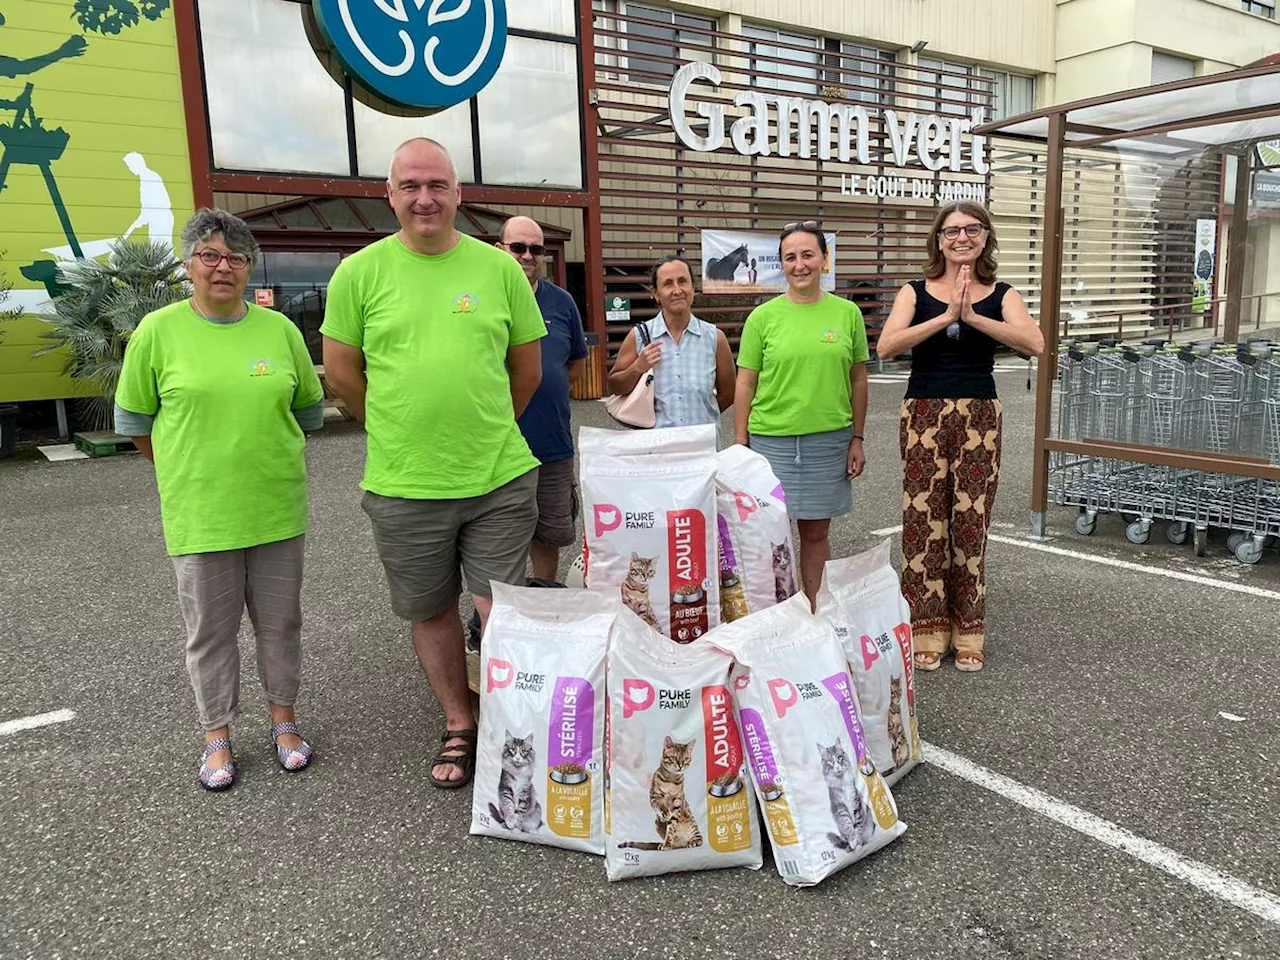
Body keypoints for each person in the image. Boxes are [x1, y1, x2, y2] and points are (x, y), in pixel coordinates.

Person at [321, 138, 544, 789]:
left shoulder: (499, 270)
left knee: (500, 604)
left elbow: (525, 371)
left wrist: (482, 422)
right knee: (429, 608)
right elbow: (341, 372)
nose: (425, 198)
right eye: (410, 185)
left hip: (498, 474)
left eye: (437, 184)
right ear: (389, 194)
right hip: (403, 483)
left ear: (457, 192)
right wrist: (397, 428)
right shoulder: (358, 274)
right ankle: (460, 721)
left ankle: (511, 721)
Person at [114, 208, 325, 791]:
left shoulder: (279, 330)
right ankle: (217, 735)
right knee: (210, 632)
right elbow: (135, 420)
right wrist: (187, 467)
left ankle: (284, 725)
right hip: (201, 513)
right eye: (210, 255)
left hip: (276, 508)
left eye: (235, 256)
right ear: (189, 266)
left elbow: (307, 411)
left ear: (249, 265)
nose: (223, 267)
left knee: (280, 624)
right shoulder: (158, 331)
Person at [876, 201, 1044, 673]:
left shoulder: (1002, 293)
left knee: (970, 521)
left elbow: (1035, 343)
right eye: (951, 231)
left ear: (986, 236)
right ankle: (925, 626)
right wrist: (946, 314)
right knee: (922, 519)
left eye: (972, 229)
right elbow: (886, 346)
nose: (961, 238)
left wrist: (972, 316)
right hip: (924, 410)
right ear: (938, 239)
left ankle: (968, 628)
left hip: (979, 413)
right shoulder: (915, 291)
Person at [734, 221, 869, 608]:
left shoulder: (847, 314)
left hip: (828, 442)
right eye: (790, 257)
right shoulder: (763, 318)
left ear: (824, 259)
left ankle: (814, 613)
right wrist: (740, 444)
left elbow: (858, 379)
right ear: (781, 264)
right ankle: (770, 618)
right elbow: (745, 383)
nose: (800, 264)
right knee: (765, 538)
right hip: (769, 443)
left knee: (815, 536)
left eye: (808, 254)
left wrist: (857, 438)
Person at [497, 216, 588, 581]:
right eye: (518, 247)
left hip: (551, 442)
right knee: (499, 536)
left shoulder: (561, 302)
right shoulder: (484, 299)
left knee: (550, 532)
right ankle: (500, 610)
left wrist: (545, 389)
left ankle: (546, 596)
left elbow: (576, 364)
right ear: (500, 249)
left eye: (536, 249)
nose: (527, 255)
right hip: (497, 445)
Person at [607, 256, 735, 442]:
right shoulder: (639, 336)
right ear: (656, 293)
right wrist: (638, 367)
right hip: (656, 451)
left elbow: (728, 393)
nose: (677, 290)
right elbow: (615, 386)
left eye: (683, 281)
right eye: (668, 284)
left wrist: (702, 417)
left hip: (702, 448)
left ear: (693, 288)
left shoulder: (715, 338)